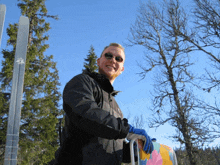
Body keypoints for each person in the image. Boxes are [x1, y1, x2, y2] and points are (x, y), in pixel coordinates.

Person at [54, 43, 153, 165]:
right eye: (108, 55)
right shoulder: (82, 82)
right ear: (99, 61)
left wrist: (135, 149)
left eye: (118, 59)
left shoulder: (116, 108)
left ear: (122, 68)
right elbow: (85, 113)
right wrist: (127, 130)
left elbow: (113, 149)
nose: (113, 60)